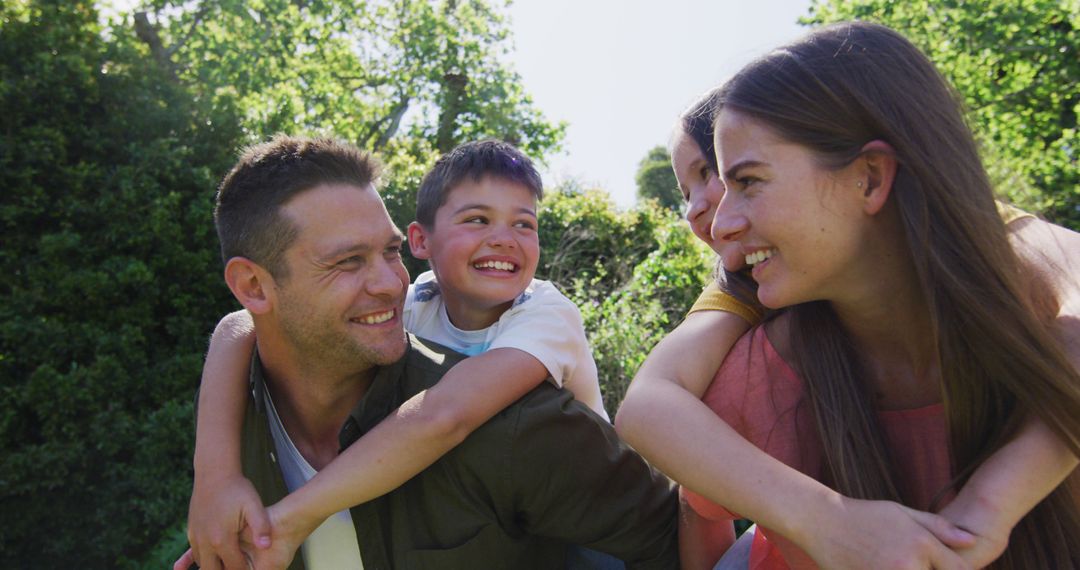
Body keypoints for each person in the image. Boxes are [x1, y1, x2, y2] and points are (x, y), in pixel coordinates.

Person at [616, 23, 1080, 569]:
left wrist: (987, 506)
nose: (715, 221)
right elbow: (646, 408)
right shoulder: (751, 331)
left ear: (870, 178)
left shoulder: (1010, 257)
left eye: (745, 180)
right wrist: (827, 520)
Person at [175, 135, 678, 569]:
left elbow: (442, 414)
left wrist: (288, 519)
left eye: (389, 253)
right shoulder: (240, 410)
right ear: (253, 286)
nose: (391, 284)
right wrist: (215, 475)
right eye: (349, 261)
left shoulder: (535, 350)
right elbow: (237, 325)